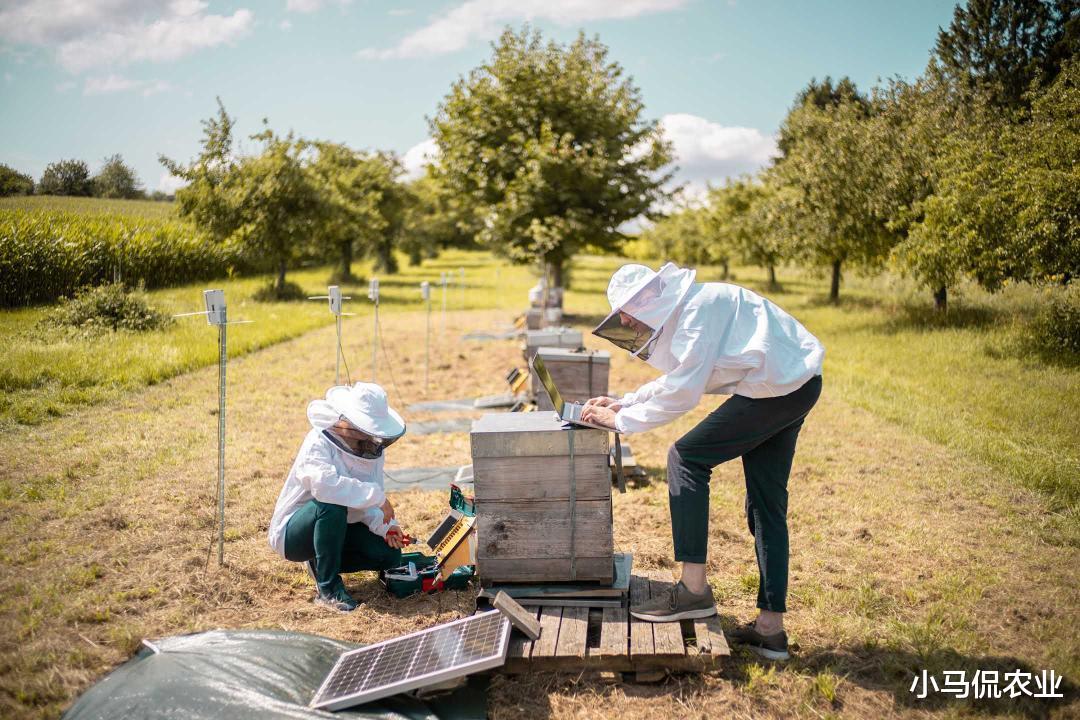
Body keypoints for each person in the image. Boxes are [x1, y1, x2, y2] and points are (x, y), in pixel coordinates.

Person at [581, 263, 824, 661]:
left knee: (685, 457)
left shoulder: (698, 310)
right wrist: (627, 400)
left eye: (627, 310)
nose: (625, 320)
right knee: (765, 502)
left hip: (778, 389)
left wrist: (621, 421)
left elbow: (684, 391)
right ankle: (770, 631)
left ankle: (693, 591)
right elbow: (682, 375)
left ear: (650, 297)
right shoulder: (693, 309)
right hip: (789, 384)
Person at [268, 382, 408, 612]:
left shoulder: (369, 450)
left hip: (338, 526)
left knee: (390, 555)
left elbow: (363, 503)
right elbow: (326, 487)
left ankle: (321, 562)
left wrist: (386, 527)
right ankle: (328, 589)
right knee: (331, 506)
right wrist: (379, 498)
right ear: (351, 420)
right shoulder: (318, 442)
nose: (371, 435)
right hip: (293, 533)